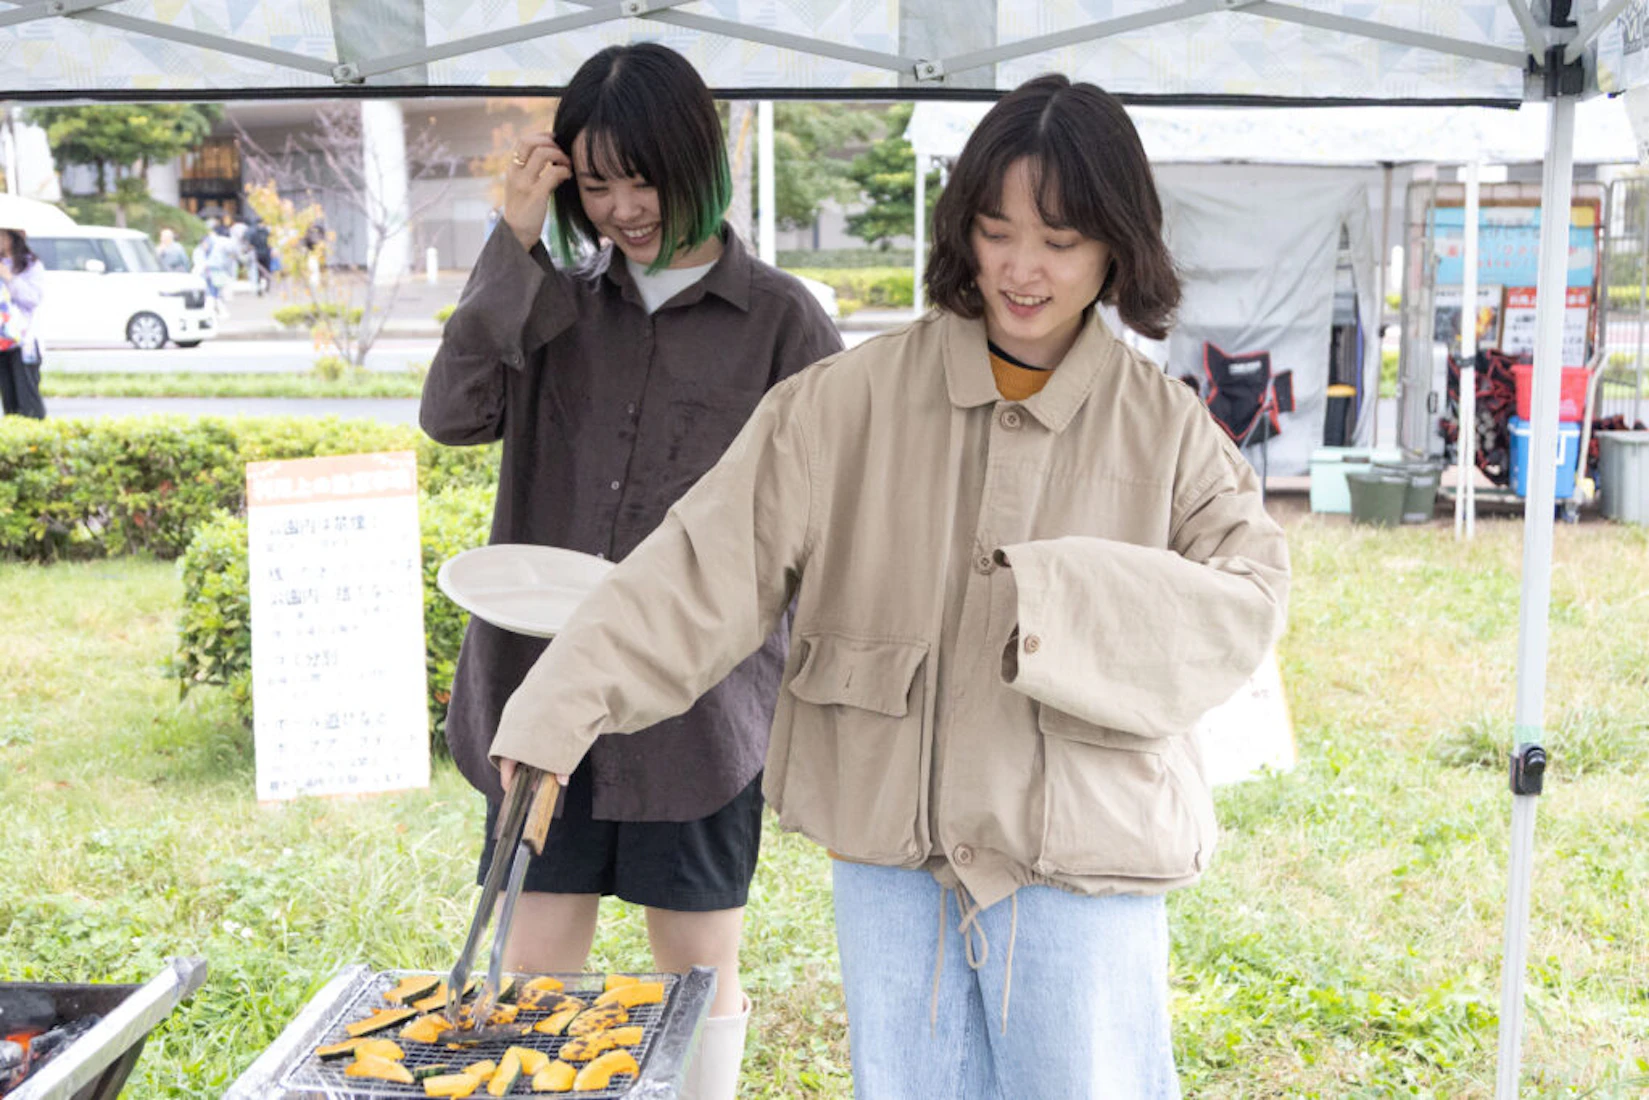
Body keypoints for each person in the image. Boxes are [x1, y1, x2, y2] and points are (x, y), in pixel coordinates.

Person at [489, 75, 1290, 1098]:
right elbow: (697, 569)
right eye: (996, 233)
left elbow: (1246, 599)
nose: (1022, 270)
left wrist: (1056, 600)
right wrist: (556, 709)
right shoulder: (844, 402)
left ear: (1115, 248)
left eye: (1058, 240)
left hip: (1079, 849)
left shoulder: (1162, 426)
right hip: (891, 851)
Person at [419, 43, 841, 1100]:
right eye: (596, 184)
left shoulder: (783, 321)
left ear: (698, 160)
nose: (619, 210)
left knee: (696, 968)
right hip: (544, 688)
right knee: (533, 964)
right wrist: (513, 242)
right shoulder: (549, 299)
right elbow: (452, 415)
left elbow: (833, 513)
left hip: (699, 708)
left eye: (641, 179)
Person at [0, 227, 47, 419]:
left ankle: (34, 434)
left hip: (24, 340)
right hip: (2, 340)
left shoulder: (30, 265)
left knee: (28, 399)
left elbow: (32, 299)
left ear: (14, 237)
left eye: (2, 235)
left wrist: (9, 278)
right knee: (9, 401)